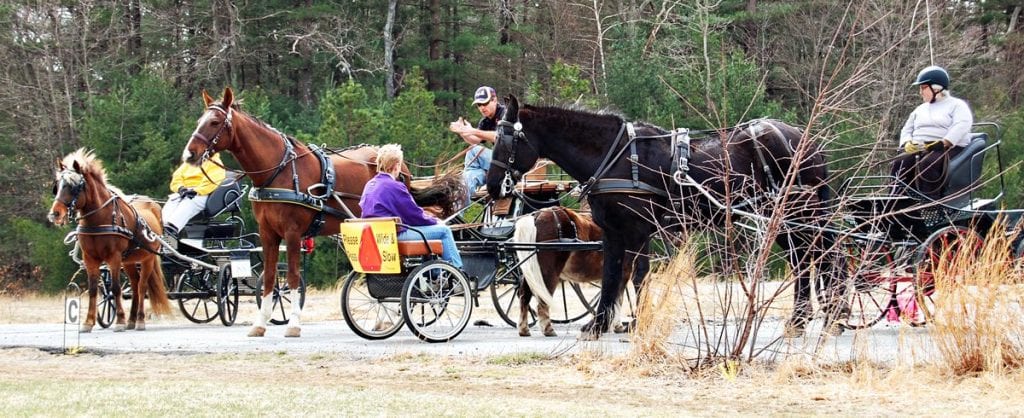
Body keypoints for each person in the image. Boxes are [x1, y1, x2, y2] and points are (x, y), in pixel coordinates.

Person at [360, 144, 463, 269]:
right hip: (394, 234)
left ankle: (434, 272)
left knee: (427, 231)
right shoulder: (395, 186)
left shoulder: (370, 185)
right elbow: (414, 215)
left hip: (377, 234)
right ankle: (458, 272)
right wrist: (435, 221)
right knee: (444, 231)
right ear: (397, 165)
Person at [890, 65, 974, 199]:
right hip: (921, 147)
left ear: (937, 88)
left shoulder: (957, 105)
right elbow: (907, 129)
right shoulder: (920, 109)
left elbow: (962, 125)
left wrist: (944, 142)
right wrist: (906, 143)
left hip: (947, 148)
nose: (920, 92)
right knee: (900, 162)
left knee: (928, 163)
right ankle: (897, 200)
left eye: (923, 88)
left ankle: (930, 203)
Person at [449, 86, 505, 206]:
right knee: (469, 177)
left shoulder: (506, 114)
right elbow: (475, 140)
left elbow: (500, 137)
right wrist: (462, 131)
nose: (482, 107)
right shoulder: (485, 121)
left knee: (473, 151)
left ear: (495, 100)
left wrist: (472, 130)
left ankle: (469, 177)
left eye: (485, 103)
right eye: (479, 105)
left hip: (510, 162)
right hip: (496, 164)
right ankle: (456, 212)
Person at [163, 153, 227, 239]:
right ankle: (163, 234)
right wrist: (180, 188)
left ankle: (171, 234)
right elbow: (177, 177)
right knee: (167, 211)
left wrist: (195, 191)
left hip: (201, 194)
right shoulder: (190, 162)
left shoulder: (215, 163)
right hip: (183, 192)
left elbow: (212, 182)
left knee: (186, 206)